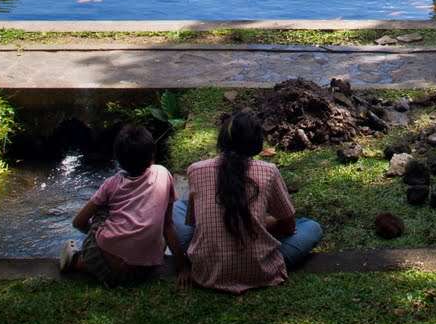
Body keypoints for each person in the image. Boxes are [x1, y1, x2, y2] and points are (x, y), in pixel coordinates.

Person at [172, 111, 323, 293]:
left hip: (206, 272)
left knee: (178, 206)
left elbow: (194, 223)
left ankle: (203, 252)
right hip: (262, 270)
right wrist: (259, 223)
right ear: (256, 144)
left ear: (222, 140)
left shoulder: (196, 170)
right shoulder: (268, 171)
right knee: (311, 226)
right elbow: (288, 227)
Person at [59, 124, 182, 286]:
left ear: (117, 159)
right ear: (152, 155)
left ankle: (78, 261)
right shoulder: (163, 174)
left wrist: (97, 234)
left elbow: (78, 222)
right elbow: (168, 225)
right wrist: (183, 266)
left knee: (102, 208)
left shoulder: (112, 183)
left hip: (110, 268)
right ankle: (96, 258)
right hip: (145, 270)